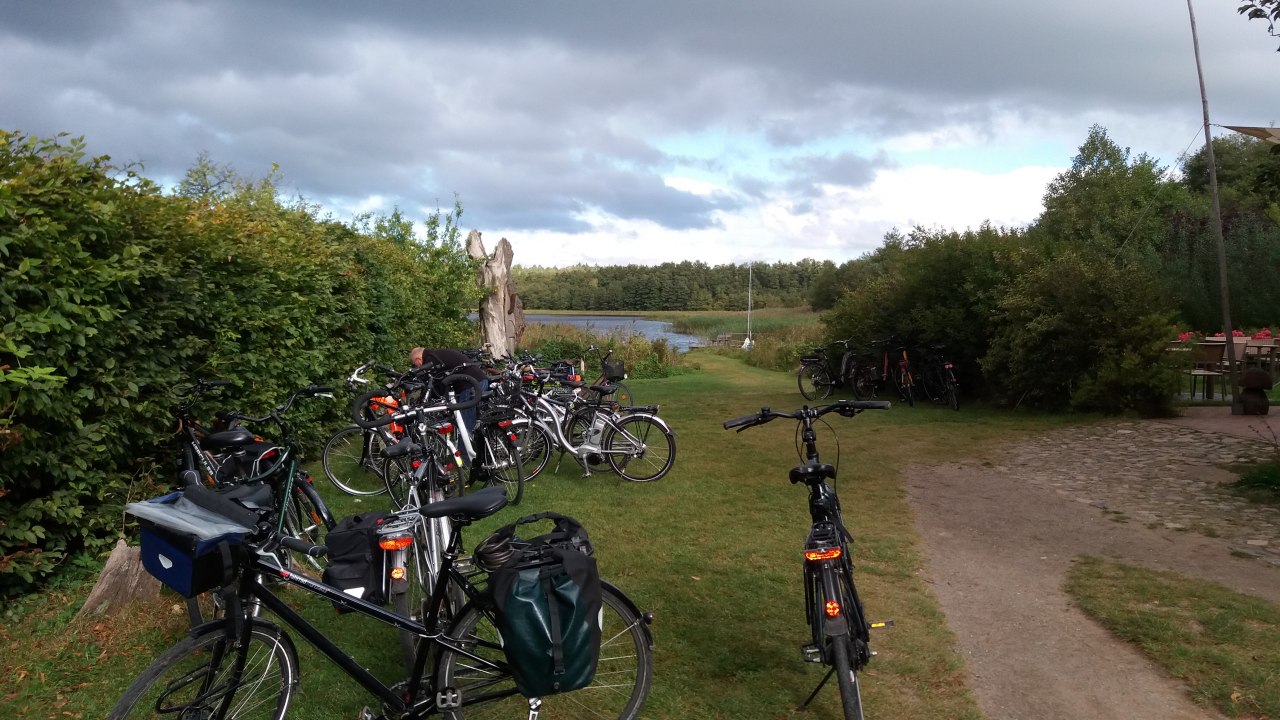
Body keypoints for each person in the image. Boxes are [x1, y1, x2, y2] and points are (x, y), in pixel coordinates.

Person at [409, 346, 488, 434]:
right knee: (476, 422)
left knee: (465, 426)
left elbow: (433, 385)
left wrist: (423, 401)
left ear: (418, 359)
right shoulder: (436, 355)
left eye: (414, 364)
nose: (417, 366)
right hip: (480, 380)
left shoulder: (430, 361)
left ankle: (463, 448)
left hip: (469, 385)